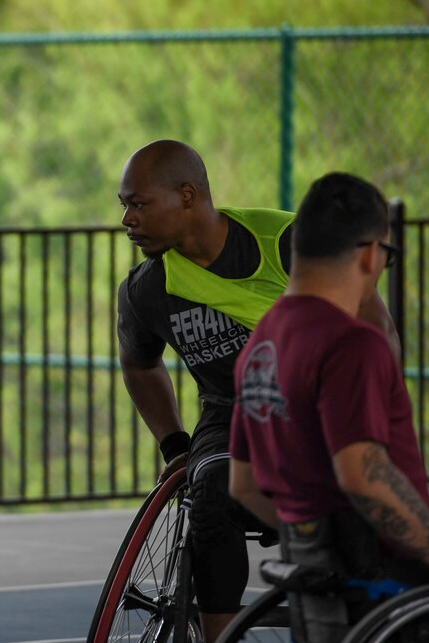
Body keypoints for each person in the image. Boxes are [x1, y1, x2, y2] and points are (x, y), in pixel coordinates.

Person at [115, 140, 398, 641]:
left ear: (187, 195)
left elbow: (376, 334)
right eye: (125, 207)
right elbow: (140, 365)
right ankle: (220, 636)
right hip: (231, 415)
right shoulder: (147, 290)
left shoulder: (289, 240)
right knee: (209, 492)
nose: (128, 221)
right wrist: (174, 444)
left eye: (139, 205)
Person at [229, 172, 429, 642]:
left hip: (316, 579)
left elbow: (244, 485)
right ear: (372, 254)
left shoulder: (262, 341)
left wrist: (314, 544)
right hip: (384, 582)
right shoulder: (354, 344)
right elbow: (363, 478)